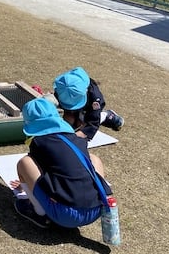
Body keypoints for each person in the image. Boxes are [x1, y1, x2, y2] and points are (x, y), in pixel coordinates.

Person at [13, 97, 113, 229]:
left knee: (24, 162)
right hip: (97, 208)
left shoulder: (38, 143)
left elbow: (44, 172)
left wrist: (26, 184)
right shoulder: (76, 139)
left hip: (65, 215)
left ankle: (39, 213)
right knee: (93, 158)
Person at [53, 67, 124, 140]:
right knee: (69, 120)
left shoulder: (95, 99)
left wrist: (71, 138)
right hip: (73, 100)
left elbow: (92, 124)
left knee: (82, 124)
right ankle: (76, 116)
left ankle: (105, 115)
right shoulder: (63, 86)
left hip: (88, 104)